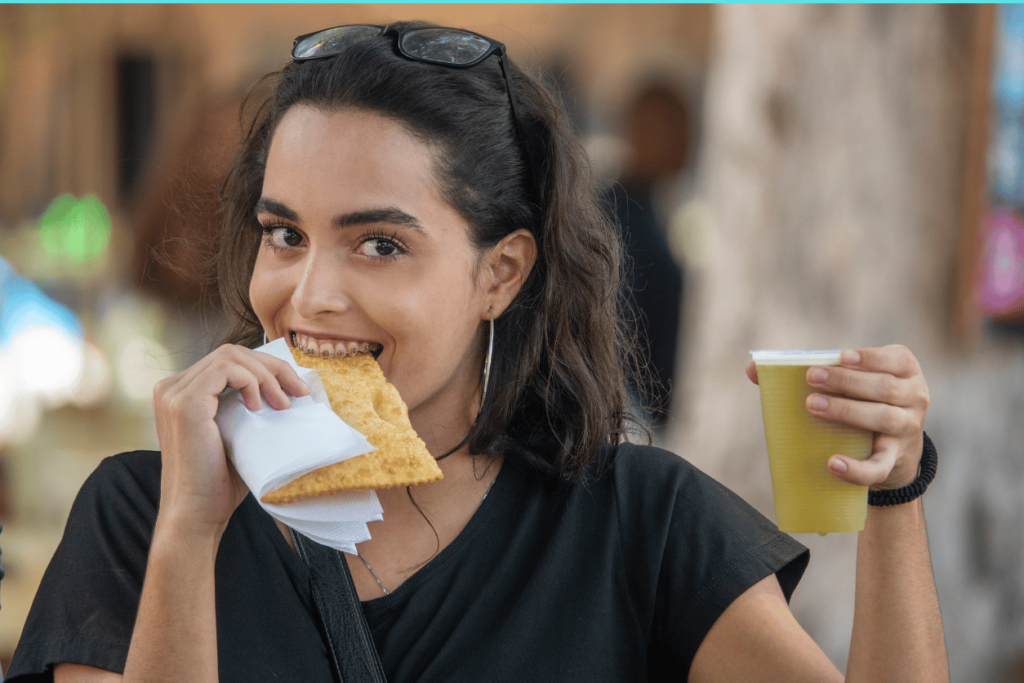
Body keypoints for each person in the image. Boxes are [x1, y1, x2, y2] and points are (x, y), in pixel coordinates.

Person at [7, 22, 948, 683]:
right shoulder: (142, 515)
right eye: (285, 233)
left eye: (380, 243)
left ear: (500, 273)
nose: (308, 294)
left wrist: (895, 490)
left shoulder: (634, 525)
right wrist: (191, 533)